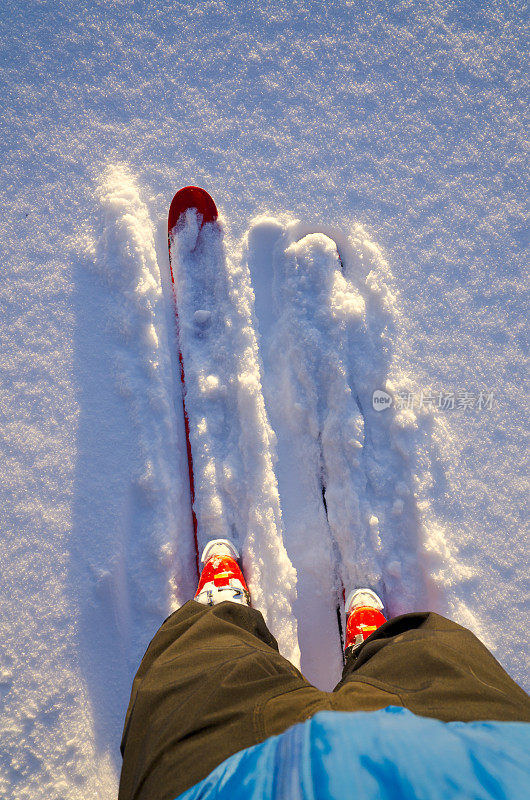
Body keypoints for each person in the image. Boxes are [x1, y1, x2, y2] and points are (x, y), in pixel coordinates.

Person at [118, 539, 530, 800]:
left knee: (197, 670)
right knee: (434, 656)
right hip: (470, 759)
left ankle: (218, 616)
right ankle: (378, 651)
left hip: (230, 776)